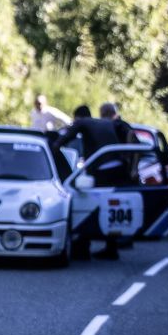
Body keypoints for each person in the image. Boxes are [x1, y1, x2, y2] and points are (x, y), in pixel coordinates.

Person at [53, 105, 125, 259]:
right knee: (109, 204)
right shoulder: (105, 123)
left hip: (102, 168)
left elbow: (66, 137)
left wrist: (55, 145)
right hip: (118, 167)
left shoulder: (82, 122)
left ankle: (83, 247)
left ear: (77, 117)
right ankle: (112, 246)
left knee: (90, 203)